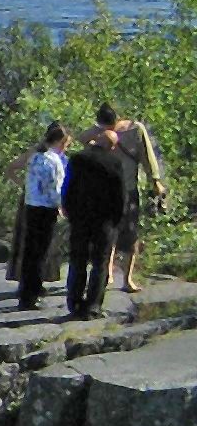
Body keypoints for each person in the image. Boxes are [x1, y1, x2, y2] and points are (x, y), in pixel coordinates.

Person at [60, 120, 129, 321]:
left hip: (80, 218)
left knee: (78, 260)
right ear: (113, 147)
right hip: (104, 221)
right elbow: (120, 196)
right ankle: (93, 306)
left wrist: (68, 211)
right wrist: (117, 220)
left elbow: (67, 188)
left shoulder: (77, 159)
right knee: (100, 263)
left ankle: (74, 302)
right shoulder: (114, 163)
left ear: (97, 139)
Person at [100, 100, 168, 295]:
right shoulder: (101, 132)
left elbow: (147, 155)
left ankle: (127, 278)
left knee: (130, 235)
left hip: (128, 189)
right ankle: (107, 273)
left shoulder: (134, 129)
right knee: (107, 233)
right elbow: (81, 138)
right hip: (106, 191)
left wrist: (154, 180)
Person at [13, 123, 69, 310]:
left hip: (31, 207)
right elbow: (56, 189)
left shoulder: (35, 157)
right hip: (46, 210)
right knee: (41, 252)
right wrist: (63, 207)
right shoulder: (54, 161)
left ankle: (26, 290)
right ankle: (32, 293)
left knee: (30, 251)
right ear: (61, 141)